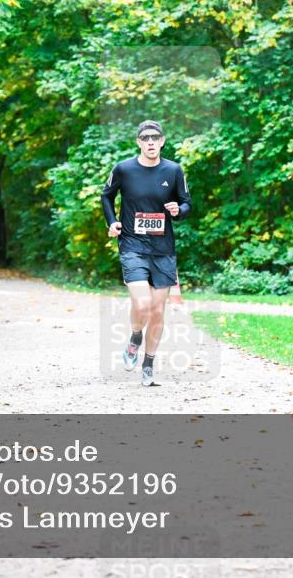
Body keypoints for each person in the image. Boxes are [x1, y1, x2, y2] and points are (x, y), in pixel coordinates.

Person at [100, 120, 191, 387]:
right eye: (145, 138)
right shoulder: (124, 169)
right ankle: (134, 338)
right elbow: (106, 196)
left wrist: (178, 211)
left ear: (162, 141)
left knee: (158, 312)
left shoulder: (174, 171)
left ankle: (148, 365)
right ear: (139, 142)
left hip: (163, 250)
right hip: (132, 246)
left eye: (155, 137)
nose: (150, 142)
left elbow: (187, 203)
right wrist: (112, 222)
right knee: (142, 304)